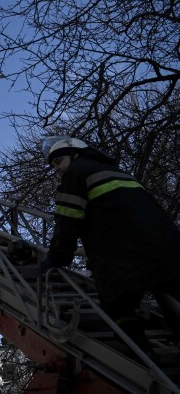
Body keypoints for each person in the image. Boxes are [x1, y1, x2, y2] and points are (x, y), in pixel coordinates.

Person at [41, 136, 180, 357]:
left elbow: (67, 223)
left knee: (119, 309)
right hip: (168, 249)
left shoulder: (75, 175)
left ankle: (146, 366)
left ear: (75, 154)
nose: (58, 169)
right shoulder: (121, 173)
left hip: (121, 256)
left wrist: (56, 258)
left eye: (59, 162)